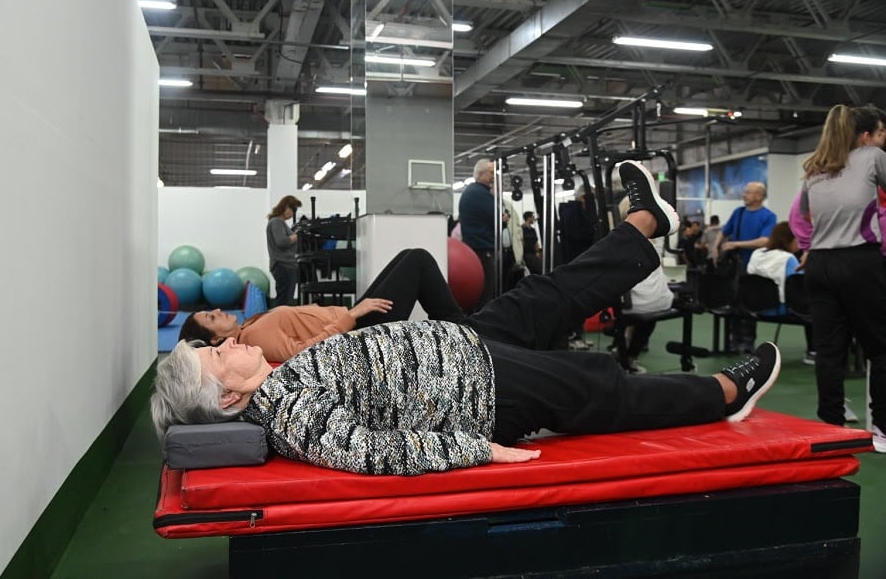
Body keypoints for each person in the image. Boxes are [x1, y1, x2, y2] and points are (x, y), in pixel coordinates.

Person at [151, 161, 782, 475]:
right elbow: (378, 452)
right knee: (598, 387)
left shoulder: (277, 386)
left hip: (455, 345)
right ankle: (727, 393)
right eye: (215, 353)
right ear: (230, 395)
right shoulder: (289, 415)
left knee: (551, 296)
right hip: (478, 388)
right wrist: (476, 448)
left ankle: (645, 227)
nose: (227, 341)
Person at [179, 248, 465, 362]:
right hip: (359, 332)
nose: (217, 310)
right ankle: (464, 330)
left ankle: (461, 327)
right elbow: (306, 353)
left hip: (352, 320)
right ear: (216, 339)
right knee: (418, 261)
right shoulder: (255, 337)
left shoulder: (248, 327)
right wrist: (353, 315)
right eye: (211, 318)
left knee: (409, 256)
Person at [797, 104, 886, 453]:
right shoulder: (871, 156)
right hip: (858, 262)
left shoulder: (814, 168)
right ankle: (882, 430)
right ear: (862, 134)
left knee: (829, 352)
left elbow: (805, 214)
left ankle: (830, 429)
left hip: (819, 265)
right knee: (881, 349)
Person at [709, 181, 777, 353]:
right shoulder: (738, 213)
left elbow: (765, 240)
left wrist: (736, 244)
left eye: (748, 192)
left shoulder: (768, 216)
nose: (744, 194)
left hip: (755, 267)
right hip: (735, 267)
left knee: (750, 304)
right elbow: (723, 232)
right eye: (745, 191)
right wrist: (715, 247)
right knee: (733, 301)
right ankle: (733, 339)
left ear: (759, 196)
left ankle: (748, 341)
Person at [617, 197, 675, 374]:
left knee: (627, 310)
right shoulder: (657, 242)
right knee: (648, 315)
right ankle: (629, 355)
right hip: (660, 302)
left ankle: (625, 354)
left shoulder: (619, 240)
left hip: (637, 304)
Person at [746, 221, 816, 366]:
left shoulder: (756, 254)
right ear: (789, 240)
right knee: (813, 307)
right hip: (780, 309)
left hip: (755, 307)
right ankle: (813, 352)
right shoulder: (788, 259)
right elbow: (799, 284)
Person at [458, 159, 499, 310]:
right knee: (486, 292)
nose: (494, 176)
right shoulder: (479, 194)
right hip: (482, 250)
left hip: (476, 248)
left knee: (482, 292)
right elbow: (498, 218)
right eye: (491, 172)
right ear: (481, 174)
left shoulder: (473, 192)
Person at [267, 195, 302, 308]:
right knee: (284, 301)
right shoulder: (276, 222)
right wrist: (296, 237)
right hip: (283, 265)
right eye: (294, 210)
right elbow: (281, 241)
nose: (293, 214)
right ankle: (279, 324)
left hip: (287, 266)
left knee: (286, 300)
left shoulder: (280, 223)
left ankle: (281, 323)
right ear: (287, 207)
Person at [521, 211, 542, 275]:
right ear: (528, 218)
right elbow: (521, 242)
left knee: (538, 269)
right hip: (525, 254)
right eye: (532, 217)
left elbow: (536, 242)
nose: (534, 218)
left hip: (533, 254)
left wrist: (537, 252)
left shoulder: (533, 230)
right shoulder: (521, 229)